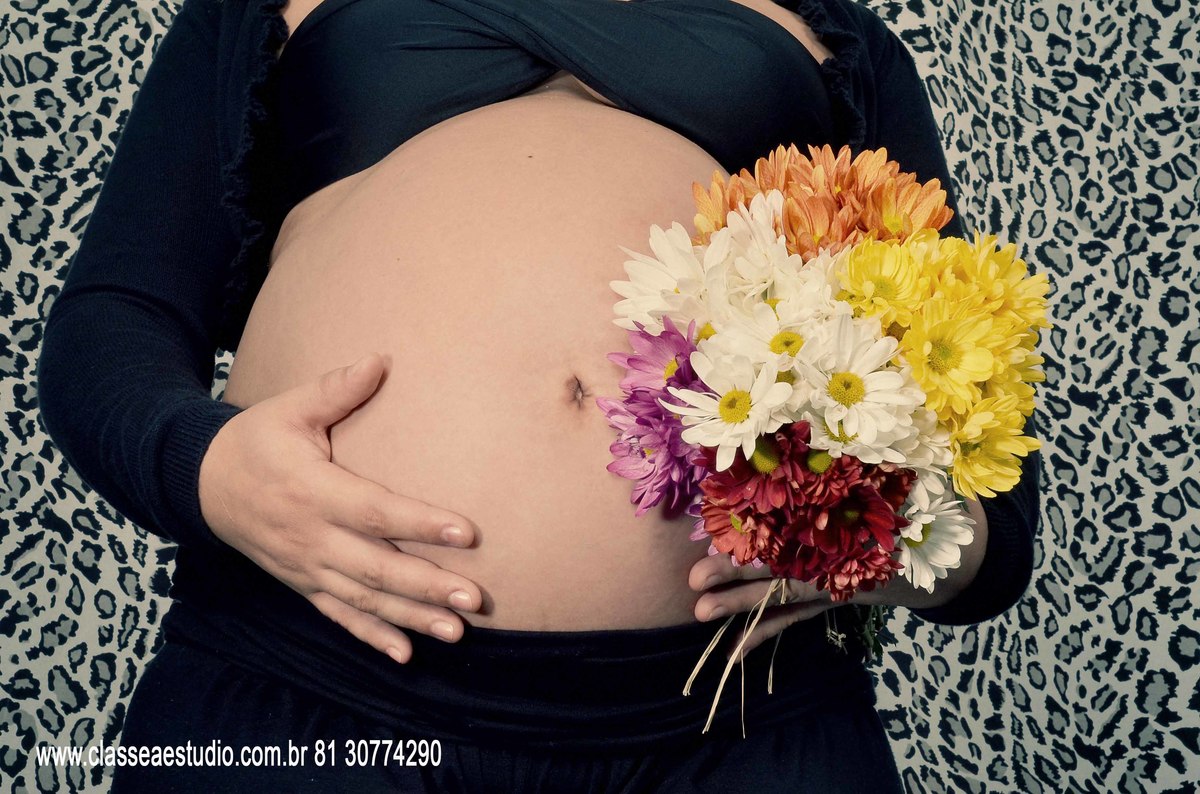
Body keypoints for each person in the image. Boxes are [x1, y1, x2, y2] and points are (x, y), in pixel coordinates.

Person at [36, 0, 1041, 789]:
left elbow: (989, 476)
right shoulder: (261, 8)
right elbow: (113, 322)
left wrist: (892, 541)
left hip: (739, 712)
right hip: (308, 670)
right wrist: (205, 469)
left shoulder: (835, 38)